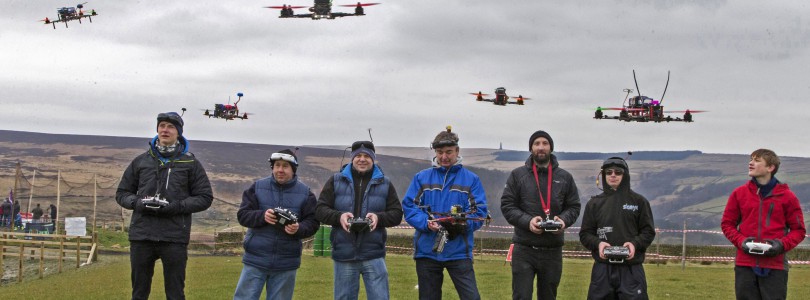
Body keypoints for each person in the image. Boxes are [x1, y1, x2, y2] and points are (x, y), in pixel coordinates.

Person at [115, 112, 213, 300]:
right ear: (157, 129)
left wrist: (176, 206)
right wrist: (137, 203)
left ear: (179, 132)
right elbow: (122, 193)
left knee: (175, 294)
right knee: (139, 293)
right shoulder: (141, 161)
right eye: (162, 126)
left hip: (174, 236)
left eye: (170, 127)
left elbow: (205, 197)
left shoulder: (190, 163)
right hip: (142, 235)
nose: (165, 130)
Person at [402, 128, 488, 300]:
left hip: (459, 252)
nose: (444, 157)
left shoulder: (471, 180)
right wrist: (426, 223)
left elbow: (480, 212)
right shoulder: (421, 178)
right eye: (440, 152)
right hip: (427, 251)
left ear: (457, 151)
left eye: (449, 152)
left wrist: (462, 225)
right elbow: (409, 207)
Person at [315, 141, 403, 300]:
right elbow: (320, 210)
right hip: (344, 254)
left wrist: (379, 217)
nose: (362, 159)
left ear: (373, 159)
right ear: (352, 158)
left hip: (374, 254)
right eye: (358, 156)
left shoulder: (385, 183)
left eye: (367, 156)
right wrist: (339, 216)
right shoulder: (335, 180)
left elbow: (397, 213)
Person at [500, 130, 581, 300]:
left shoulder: (565, 177)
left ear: (551, 147)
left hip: (552, 250)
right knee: (521, 296)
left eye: (545, 143)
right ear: (531, 149)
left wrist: (563, 221)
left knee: (548, 297)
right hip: (524, 248)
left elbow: (573, 207)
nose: (541, 147)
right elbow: (507, 206)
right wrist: (528, 221)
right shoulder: (517, 175)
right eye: (537, 144)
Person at [234, 149, 319, 300]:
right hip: (255, 259)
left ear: (293, 169)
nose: (280, 170)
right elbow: (243, 215)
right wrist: (262, 216)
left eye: (285, 166)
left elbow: (313, 223)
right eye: (277, 165)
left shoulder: (306, 193)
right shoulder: (257, 187)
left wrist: (299, 228)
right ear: (272, 167)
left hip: (286, 262)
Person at [721, 149, 806, 300]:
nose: (751, 163)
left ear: (770, 167)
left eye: (757, 160)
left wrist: (780, 245)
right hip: (745, 265)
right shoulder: (739, 193)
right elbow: (727, 224)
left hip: (775, 266)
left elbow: (798, 231)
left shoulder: (788, 197)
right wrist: (742, 242)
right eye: (751, 159)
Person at [579, 157, 655, 300]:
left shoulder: (639, 202)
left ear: (625, 175)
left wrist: (634, 244)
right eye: (609, 172)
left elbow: (648, 231)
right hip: (602, 270)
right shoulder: (594, 203)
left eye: (618, 172)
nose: (613, 175)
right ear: (603, 175)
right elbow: (585, 234)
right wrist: (598, 244)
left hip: (631, 269)